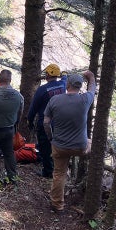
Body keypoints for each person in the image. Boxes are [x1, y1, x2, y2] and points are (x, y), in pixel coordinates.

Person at [43, 70, 96, 212]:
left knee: (59, 174)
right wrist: (91, 77)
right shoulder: (85, 100)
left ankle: (57, 205)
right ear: (79, 87)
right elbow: (92, 89)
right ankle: (90, 185)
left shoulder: (55, 100)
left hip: (59, 146)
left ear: (68, 85)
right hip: (80, 147)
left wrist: (51, 138)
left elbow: (46, 123)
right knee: (93, 144)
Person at [27, 63, 67, 179]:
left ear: (48, 74)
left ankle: (48, 171)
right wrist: (64, 75)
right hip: (59, 123)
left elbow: (33, 108)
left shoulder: (42, 90)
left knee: (45, 147)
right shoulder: (63, 85)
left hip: (44, 123)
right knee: (57, 146)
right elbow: (65, 78)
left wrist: (29, 121)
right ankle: (57, 169)